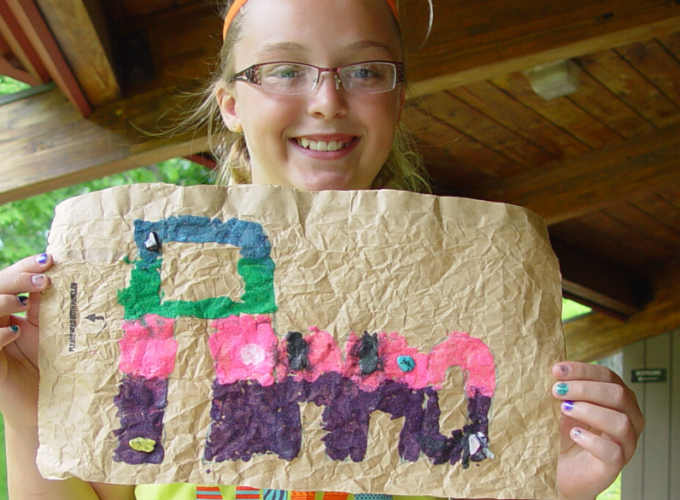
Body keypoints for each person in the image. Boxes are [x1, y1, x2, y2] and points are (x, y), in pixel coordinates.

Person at [0, 0, 644, 499]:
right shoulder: (142, 283)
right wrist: (30, 400)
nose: (328, 99)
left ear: (395, 99)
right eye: (284, 70)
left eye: (365, 71)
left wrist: (551, 485)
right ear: (230, 103)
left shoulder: (470, 298)